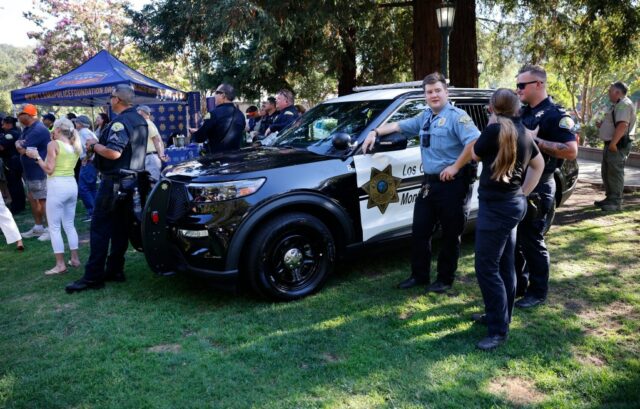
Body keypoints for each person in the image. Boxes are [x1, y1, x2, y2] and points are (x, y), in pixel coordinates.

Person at [362, 72, 481, 293]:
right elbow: (398, 126)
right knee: (420, 231)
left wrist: (455, 167)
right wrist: (374, 131)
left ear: (446, 92)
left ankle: (445, 279)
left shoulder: (458, 116)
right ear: (424, 95)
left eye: (437, 90)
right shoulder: (425, 117)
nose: (434, 95)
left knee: (450, 234)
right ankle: (419, 276)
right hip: (430, 184)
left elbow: (474, 142)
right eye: (429, 92)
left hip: (453, 184)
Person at [471, 89, 544, 350]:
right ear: (516, 108)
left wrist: (491, 122)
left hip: (496, 209)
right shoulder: (523, 131)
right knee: (504, 264)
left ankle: (498, 331)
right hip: (512, 205)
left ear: (492, 107)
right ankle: (500, 317)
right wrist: (523, 192)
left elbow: (475, 155)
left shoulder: (494, 131)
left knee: (487, 267)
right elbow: (539, 166)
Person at [65, 84, 148, 293]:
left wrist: (93, 145)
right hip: (131, 181)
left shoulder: (121, 123)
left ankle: (93, 277)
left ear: (117, 100)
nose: (109, 100)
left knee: (100, 229)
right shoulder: (140, 119)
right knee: (120, 227)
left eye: (111, 97)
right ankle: (115, 269)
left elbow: (113, 153)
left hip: (115, 182)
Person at [514, 64, 578, 308]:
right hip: (519, 182)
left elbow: (571, 151)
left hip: (540, 186)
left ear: (538, 84)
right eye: (517, 85)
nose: (518, 89)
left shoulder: (555, 114)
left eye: (522, 85)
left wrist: (536, 139)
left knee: (532, 240)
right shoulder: (521, 112)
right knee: (516, 240)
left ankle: (537, 291)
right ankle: (518, 285)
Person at [26, 118, 82, 275]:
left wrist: (37, 157)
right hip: (71, 185)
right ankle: (75, 259)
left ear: (57, 129)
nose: (51, 131)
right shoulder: (74, 144)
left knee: (55, 227)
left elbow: (49, 169)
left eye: (53, 129)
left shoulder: (54, 144)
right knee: (69, 224)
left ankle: (60, 265)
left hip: (57, 186)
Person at [594, 81, 636, 211]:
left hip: (617, 144)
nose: (608, 93)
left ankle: (615, 202)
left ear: (617, 92)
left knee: (614, 172)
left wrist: (613, 144)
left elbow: (623, 125)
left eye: (610, 91)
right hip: (611, 144)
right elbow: (615, 124)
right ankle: (610, 198)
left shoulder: (624, 104)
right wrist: (603, 126)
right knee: (607, 172)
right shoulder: (617, 104)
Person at [14, 104, 50, 241]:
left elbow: (22, 148)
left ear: (28, 115)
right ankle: (38, 227)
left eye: (20, 114)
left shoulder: (38, 130)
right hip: (30, 172)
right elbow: (19, 144)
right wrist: (19, 145)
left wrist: (19, 145)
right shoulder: (28, 129)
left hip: (39, 171)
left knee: (42, 200)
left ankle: (50, 229)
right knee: (33, 199)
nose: (18, 117)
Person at [189, 83, 245, 154]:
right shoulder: (240, 114)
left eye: (216, 93)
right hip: (236, 160)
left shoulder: (213, 114)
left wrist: (195, 133)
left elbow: (200, 138)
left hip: (217, 160)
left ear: (223, 95)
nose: (214, 96)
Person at [73, 115, 99, 222]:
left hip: (89, 162)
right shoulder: (88, 131)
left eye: (76, 122)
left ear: (80, 123)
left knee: (83, 188)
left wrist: (86, 158)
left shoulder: (82, 132)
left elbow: (90, 146)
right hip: (93, 162)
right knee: (91, 188)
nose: (75, 124)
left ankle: (92, 213)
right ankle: (95, 212)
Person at [0, 116, 25, 214]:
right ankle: (20, 204)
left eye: (3, 124)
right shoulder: (18, 131)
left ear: (9, 124)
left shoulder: (9, 134)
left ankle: (16, 206)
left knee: (13, 184)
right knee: (18, 184)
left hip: (11, 162)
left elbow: (1, 147)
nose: (2, 126)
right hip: (17, 161)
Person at [136, 105, 167, 182]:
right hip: (145, 158)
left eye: (140, 114)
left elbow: (156, 140)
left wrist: (161, 155)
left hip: (151, 158)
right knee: (146, 185)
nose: (138, 116)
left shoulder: (148, 123)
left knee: (153, 183)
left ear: (147, 114)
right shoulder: (142, 124)